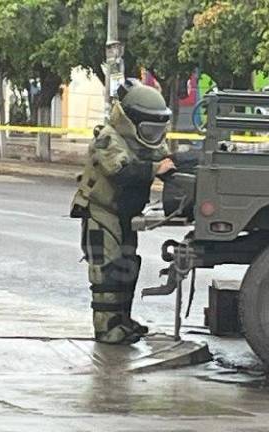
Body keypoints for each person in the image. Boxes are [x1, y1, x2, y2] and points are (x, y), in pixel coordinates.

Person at [70, 79, 175, 345]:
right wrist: (156, 170)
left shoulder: (142, 142)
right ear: (131, 120)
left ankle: (123, 321)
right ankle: (107, 329)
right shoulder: (108, 138)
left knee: (126, 267)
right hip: (102, 214)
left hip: (125, 215)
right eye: (149, 128)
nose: (154, 135)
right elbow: (123, 172)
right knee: (107, 273)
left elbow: (164, 159)